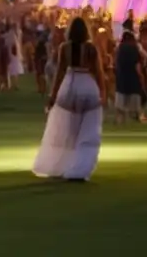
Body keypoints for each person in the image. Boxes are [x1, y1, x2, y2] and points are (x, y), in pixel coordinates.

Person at [33, 16, 104, 182]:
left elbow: (59, 73)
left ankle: (62, 164)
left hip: (70, 87)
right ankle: (81, 168)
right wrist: (103, 92)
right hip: (88, 87)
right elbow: (99, 72)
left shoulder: (64, 48)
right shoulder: (91, 49)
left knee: (66, 130)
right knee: (88, 132)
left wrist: (53, 95)